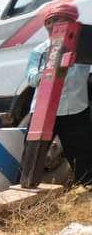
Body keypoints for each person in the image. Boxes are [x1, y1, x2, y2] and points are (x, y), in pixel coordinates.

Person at [27, 39, 92, 185]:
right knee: (31, 160)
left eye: (62, 19)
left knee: (84, 160)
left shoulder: (84, 47)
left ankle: (87, 193)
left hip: (76, 110)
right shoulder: (40, 50)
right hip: (42, 112)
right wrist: (53, 69)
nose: (54, 25)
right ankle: (23, 193)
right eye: (50, 21)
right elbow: (31, 78)